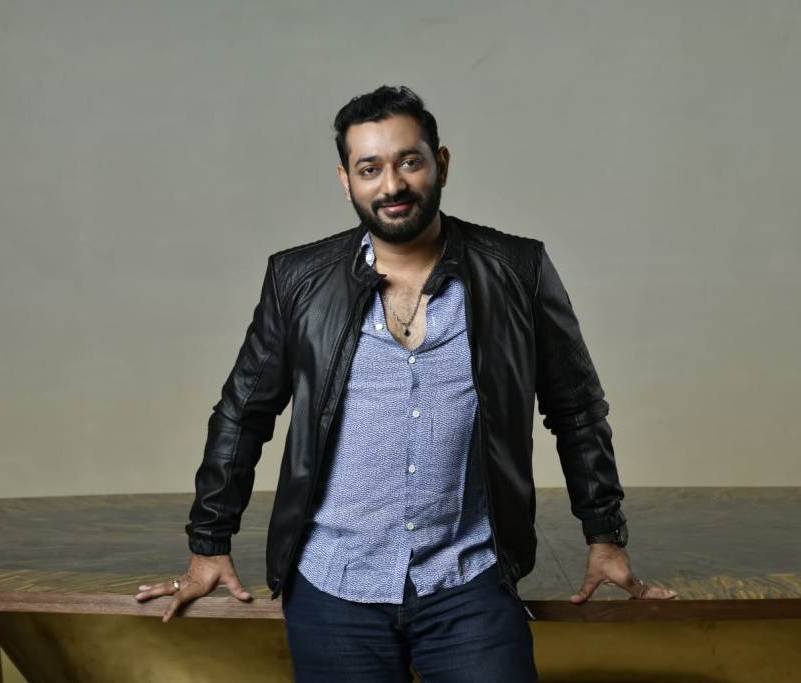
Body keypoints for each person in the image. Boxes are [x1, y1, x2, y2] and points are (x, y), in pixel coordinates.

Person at [135, 85, 677, 681]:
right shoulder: (298, 280)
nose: (391, 185)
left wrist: (605, 536)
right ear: (346, 180)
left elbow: (576, 410)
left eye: (408, 161)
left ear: (440, 163)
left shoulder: (517, 270)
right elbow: (242, 414)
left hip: (469, 582)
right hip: (333, 585)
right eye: (369, 168)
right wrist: (209, 543)